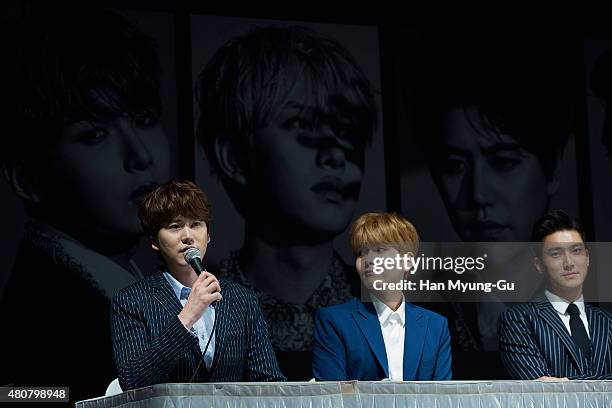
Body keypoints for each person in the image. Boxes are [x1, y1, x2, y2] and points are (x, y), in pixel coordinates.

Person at [0, 8, 170, 401]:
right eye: (95, 134)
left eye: (144, 119)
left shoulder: (121, 286)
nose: (140, 155)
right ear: (28, 178)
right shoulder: (42, 322)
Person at [195, 25, 377, 378]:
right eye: (303, 124)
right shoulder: (189, 308)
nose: (335, 154)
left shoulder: (392, 305)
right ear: (233, 156)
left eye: (345, 129)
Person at [411, 35, 571, 378]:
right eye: (456, 166)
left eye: (503, 162)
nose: (478, 194)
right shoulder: (413, 320)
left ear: (553, 168)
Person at [111, 180, 285, 390]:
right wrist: (187, 317)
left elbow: (268, 381)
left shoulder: (241, 298)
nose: (188, 237)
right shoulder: (132, 301)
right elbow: (132, 380)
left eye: (196, 225)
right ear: (154, 241)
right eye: (175, 227)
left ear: (208, 234)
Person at [312, 212, 452, 381]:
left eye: (380, 250)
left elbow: (442, 397)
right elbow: (333, 397)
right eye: (361, 253)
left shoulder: (436, 325)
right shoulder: (335, 321)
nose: (368, 260)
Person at [498, 210, 612, 380]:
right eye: (556, 254)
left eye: (576, 251)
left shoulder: (607, 321)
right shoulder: (518, 320)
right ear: (538, 265)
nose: (569, 263)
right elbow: (543, 392)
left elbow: (557, 387)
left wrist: (566, 382)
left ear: (587, 258)